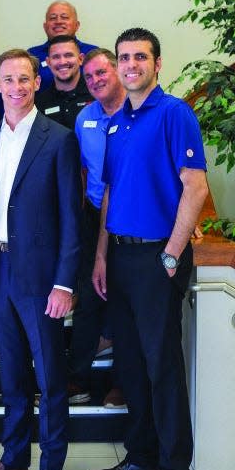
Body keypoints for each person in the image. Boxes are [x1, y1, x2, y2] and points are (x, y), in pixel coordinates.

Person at [88, 28, 208, 470]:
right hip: (120, 256)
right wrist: (100, 255)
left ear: (158, 63)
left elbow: (195, 188)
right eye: (124, 57)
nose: (131, 64)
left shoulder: (175, 113)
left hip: (159, 257)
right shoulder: (116, 123)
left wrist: (173, 254)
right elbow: (111, 195)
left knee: (162, 367)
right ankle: (139, 458)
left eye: (140, 56)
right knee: (131, 366)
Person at [0, 49, 82, 470]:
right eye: (7, 79)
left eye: (24, 79)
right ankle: (13, 461)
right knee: (11, 374)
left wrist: (65, 283)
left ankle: (50, 468)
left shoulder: (59, 139)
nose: (15, 86)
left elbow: (72, 218)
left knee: (49, 376)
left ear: (37, 82)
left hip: (40, 275)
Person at [69, 48, 127, 407]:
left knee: (125, 299)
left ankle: (122, 381)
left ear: (118, 71)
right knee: (88, 297)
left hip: (134, 219)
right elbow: (82, 171)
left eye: (101, 73)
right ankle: (78, 379)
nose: (95, 81)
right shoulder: (84, 118)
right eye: (89, 76)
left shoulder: (140, 112)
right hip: (93, 217)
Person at [28, 0, 98, 92]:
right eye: (53, 18)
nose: (58, 22)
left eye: (64, 17)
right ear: (45, 26)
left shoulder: (93, 53)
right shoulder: (32, 56)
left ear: (77, 25)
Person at [35, 34, 91, 129]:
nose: (62, 62)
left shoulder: (96, 95)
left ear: (81, 59)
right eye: (56, 57)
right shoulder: (39, 104)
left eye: (68, 55)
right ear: (48, 63)